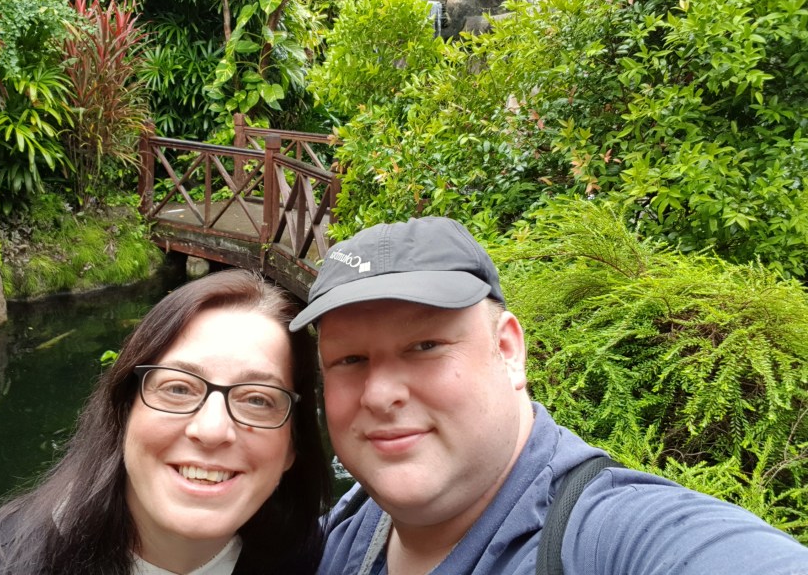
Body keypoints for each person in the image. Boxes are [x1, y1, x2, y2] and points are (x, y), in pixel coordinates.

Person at [288, 217, 808, 575]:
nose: (380, 395)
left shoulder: (609, 538)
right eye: (350, 360)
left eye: (425, 346)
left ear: (509, 350)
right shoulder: (344, 532)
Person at [0, 269, 331, 575]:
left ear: (293, 445)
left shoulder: (311, 559)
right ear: (123, 411)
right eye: (178, 388)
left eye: (258, 399)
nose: (210, 430)